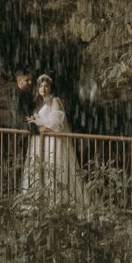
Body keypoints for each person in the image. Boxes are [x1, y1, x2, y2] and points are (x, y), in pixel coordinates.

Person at [21, 73, 85, 204]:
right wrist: (35, 121)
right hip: (40, 141)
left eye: (46, 86)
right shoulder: (39, 103)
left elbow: (57, 123)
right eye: (41, 86)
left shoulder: (55, 101)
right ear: (38, 89)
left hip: (52, 141)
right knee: (39, 169)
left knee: (54, 168)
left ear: (50, 88)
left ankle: (57, 201)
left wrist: (40, 124)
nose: (43, 88)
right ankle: (37, 200)